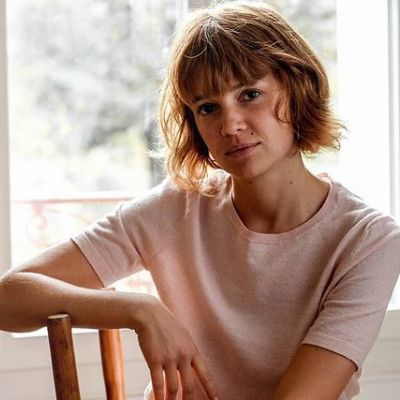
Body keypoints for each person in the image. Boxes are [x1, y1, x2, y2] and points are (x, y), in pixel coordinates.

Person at [1, 1, 400, 399]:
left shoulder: (369, 240)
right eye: (208, 108)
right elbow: (8, 297)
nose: (230, 125)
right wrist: (138, 309)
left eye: (250, 94)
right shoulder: (176, 208)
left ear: (298, 90)